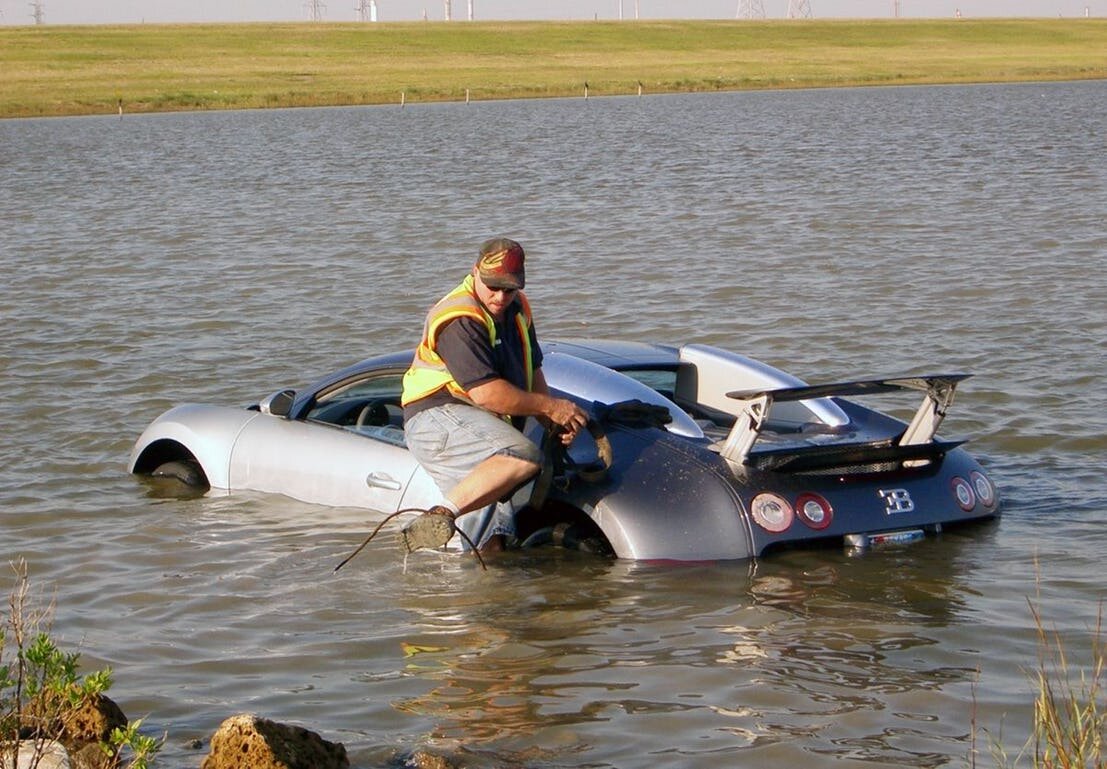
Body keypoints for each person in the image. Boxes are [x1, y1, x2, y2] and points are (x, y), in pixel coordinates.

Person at [400, 237, 589, 554]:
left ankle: (481, 591)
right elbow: (487, 393)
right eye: (493, 287)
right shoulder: (459, 317)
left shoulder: (518, 309)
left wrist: (551, 421)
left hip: (478, 425)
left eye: (509, 289)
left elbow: (533, 372)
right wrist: (550, 406)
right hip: (436, 417)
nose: (501, 296)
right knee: (524, 455)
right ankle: (441, 515)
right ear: (475, 272)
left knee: (491, 546)